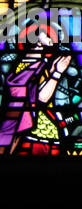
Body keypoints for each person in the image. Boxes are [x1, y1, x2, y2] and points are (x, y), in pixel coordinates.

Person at [0, 24, 72, 154]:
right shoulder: (31, 66)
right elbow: (41, 99)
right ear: (35, 40)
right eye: (48, 36)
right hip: (36, 134)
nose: (52, 39)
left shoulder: (34, 65)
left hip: (40, 133)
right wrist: (56, 74)